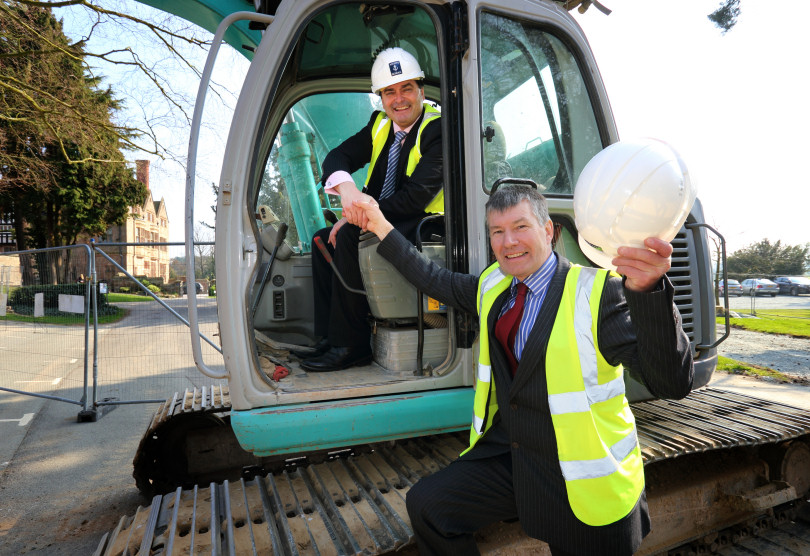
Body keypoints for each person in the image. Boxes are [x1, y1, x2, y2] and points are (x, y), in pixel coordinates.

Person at [354, 185, 694, 555]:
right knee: (429, 505)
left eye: (520, 227)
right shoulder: (493, 286)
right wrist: (381, 227)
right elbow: (434, 279)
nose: (508, 241)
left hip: (580, 474)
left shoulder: (597, 293)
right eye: (497, 232)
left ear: (548, 231)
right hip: (514, 454)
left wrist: (649, 293)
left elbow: (671, 382)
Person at [298, 46, 443, 373]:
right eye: (389, 92)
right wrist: (348, 194)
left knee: (350, 234)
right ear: (381, 98)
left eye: (407, 88)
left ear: (421, 91)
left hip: (426, 226)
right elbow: (336, 157)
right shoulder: (379, 126)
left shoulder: (436, 130)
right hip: (389, 218)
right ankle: (329, 337)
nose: (399, 99)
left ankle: (352, 344)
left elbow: (415, 198)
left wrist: (358, 216)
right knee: (323, 239)